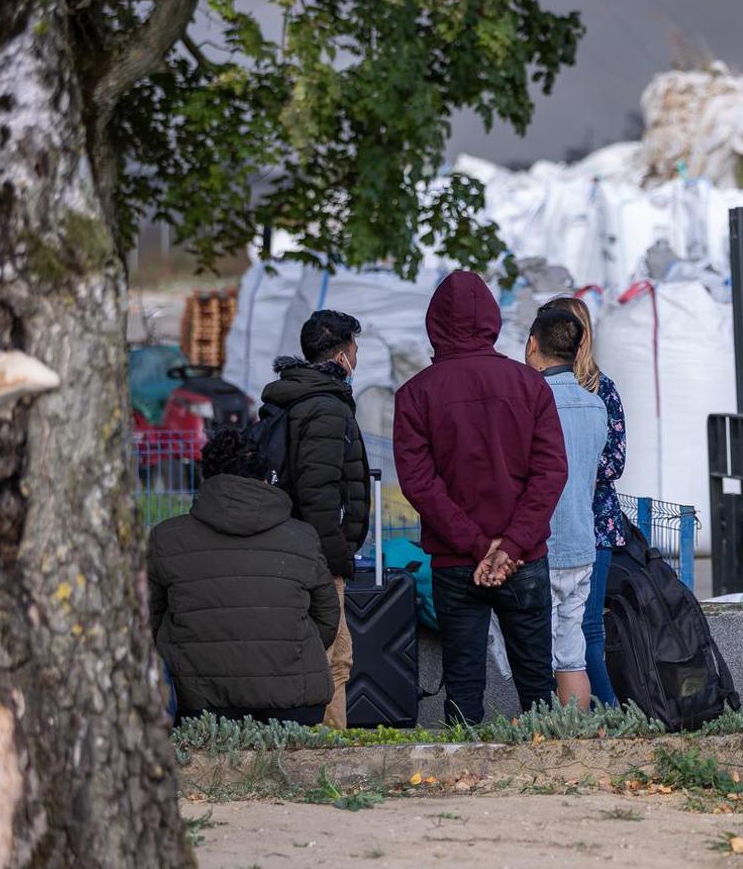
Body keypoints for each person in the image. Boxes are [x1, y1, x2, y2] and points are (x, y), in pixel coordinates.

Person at [393, 271, 568, 724]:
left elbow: (420, 483)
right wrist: (510, 546)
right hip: (524, 556)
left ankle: (462, 771)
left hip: (455, 559)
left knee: (464, 680)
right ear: (491, 320)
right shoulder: (530, 386)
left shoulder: (416, 394)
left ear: (435, 324)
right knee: (536, 679)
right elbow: (550, 473)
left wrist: (477, 547)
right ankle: (546, 768)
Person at [149, 429, 339, 725]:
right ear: (265, 477)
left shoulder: (165, 538)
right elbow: (327, 617)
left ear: (205, 478)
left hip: (197, 702)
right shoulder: (302, 536)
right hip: (294, 701)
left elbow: (149, 618)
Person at [259, 309, 371, 729]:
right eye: (355, 349)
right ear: (342, 355)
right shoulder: (325, 406)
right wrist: (339, 554)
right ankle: (329, 752)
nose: (357, 359)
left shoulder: (291, 397)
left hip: (291, 546)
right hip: (319, 557)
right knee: (335, 659)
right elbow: (319, 490)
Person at [545, 295, 625, 708]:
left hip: (593, 524)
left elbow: (614, 462)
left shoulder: (600, 388)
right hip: (556, 524)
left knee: (587, 630)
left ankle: (610, 717)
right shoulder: (538, 388)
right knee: (561, 634)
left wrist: (569, 470)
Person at [527, 306, 608, 708]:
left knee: (534, 655)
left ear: (532, 344)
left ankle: (542, 738)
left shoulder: (531, 401)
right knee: (572, 655)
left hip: (539, 545)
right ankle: (575, 739)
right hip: (581, 541)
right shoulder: (596, 404)